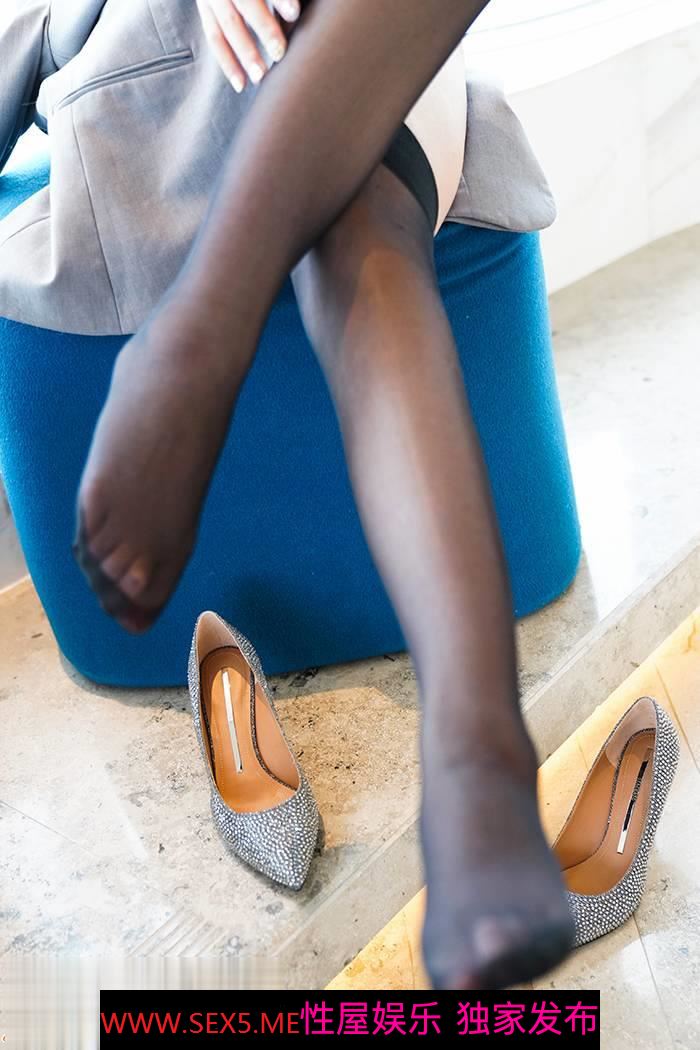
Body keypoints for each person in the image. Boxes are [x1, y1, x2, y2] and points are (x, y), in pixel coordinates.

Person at [0, 0, 573, 987]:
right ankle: (477, 741)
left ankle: (198, 338)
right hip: (192, 53)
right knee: (361, 216)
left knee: (363, 180)